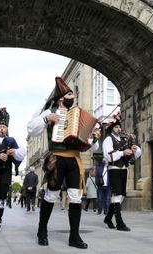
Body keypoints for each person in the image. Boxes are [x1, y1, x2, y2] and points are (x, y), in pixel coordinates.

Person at [27, 77, 101, 249]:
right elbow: (31, 128)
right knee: (51, 195)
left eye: (72, 95)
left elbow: (88, 143)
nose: (72, 97)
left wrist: (94, 138)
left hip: (74, 160)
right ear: (61, 98)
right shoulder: (49, 111)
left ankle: (74, 237)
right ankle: (42, 231)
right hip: (57, 159)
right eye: (69, 94)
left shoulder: (77, 114)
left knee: (75, 197)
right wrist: (47, 119)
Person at [102, 113, 141, 232]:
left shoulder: (124, 140)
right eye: (116, 127)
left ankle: (108, 218)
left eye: (119, 127)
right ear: (111, 128)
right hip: (114, 170)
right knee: (117, 195)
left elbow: (137, 154)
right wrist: (122, 153)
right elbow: (108, 156)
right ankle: (119, 223)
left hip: (123, 169)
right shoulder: (108, 139)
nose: (118, 129)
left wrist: (135, 149)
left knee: (121, 195)